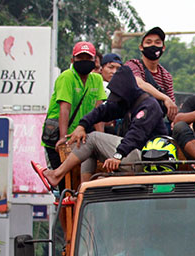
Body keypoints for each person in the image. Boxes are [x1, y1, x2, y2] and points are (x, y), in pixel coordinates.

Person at [33, 67, 165, 187]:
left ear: (127, 91)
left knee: (93, 138)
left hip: (146, 160)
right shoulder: (128, 103)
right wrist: (82, 125)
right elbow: (102, 111)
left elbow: (136, 135)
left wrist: (118, 155)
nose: (118, 100)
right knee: (86, 142)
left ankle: (56, 174)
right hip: (131, 154)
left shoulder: (148, 106)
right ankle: (83, 190)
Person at [41, 41, 107, 168]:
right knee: (62, 180)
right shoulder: (67, 77)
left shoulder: (97, 79)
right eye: (80, 58)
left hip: (81, 138)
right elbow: (64, 108)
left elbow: (98, 112)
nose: (84, 60)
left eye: (88, 58)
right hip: (60, 134)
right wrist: (62, 138)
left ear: (94, 61)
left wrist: (101, 140)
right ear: (73, 60)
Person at [125, 26, 176, 126]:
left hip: (157, 122)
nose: (153, 45)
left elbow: (172, 106)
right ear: (141, 47)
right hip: (134, 121)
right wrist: (165, 98)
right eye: (148, 42)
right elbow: (139, 83)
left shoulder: (166, 76)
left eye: (157, 43)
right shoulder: (133, 65)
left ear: (163, 47)